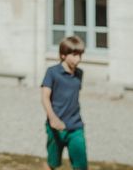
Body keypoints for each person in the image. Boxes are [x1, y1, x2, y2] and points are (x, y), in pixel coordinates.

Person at [41, 35, 88, 170]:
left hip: (76, 127)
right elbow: (45, 98)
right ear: (63, 55)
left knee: (81, 166)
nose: (78, 59)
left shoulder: (79, 73)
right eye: (74, 55)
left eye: (80, 55)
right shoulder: (52, 72)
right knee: (52, 163)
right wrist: (53, 119)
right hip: (55, 128)